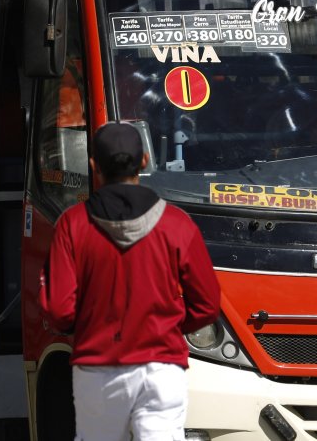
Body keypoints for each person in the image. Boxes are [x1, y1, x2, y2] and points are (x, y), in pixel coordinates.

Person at [39, 121, 221, 441]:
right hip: (162, 369)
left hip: (98, 371)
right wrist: (166, 326)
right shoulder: (177, 224)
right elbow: (206, 306)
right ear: (145, 162)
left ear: (93, 166)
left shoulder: (72, 224)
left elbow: (58, 311)